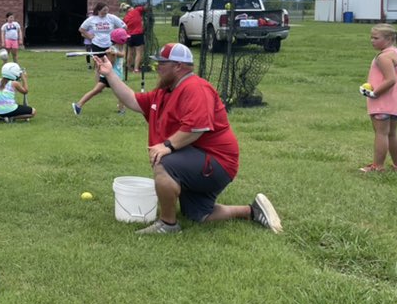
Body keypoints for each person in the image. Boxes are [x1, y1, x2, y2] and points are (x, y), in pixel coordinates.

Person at [94, 42, 282, 235]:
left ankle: (168, 224)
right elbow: (133, 100)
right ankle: (251, 211)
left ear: (178, 66)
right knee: (198, 214)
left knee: (164, 162)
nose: (157, 68)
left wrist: (167, 146)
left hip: (217, 161)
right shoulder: (165, 91)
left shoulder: (195, 88)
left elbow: (197, 128)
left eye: (162, 64)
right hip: (199, 159)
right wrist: (109, 74)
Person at [359, 23, 397, 173]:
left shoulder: (383, 57)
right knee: (392, 133)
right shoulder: (396, 53)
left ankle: (378, 166)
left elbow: (390, 80)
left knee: (381, 133)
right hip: (395, 102)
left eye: (375, 38)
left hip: (382, 101)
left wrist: (374, 93)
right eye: (371, 37)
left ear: (388, 39)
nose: (372, 40)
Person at [73, 28, 128, 116]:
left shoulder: (121, 47)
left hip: (116, 75)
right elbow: (110, 64)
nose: (126, 40)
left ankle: (78, 105)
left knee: (112, 92)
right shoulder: (112, 49)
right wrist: (111, 55)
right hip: (111, 76)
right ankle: (78, 105)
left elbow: (123, 54)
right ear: (120, 39)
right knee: (116, 92)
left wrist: (116, 53)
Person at [122, 3, 147, 75]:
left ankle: (128, 67)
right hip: (138, 34)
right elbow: (145, 7)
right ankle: (136, 69)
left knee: (130, 52)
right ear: (129, 8)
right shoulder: (136, 10)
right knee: (139, 53)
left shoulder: (125, 18)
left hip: (129, 36)